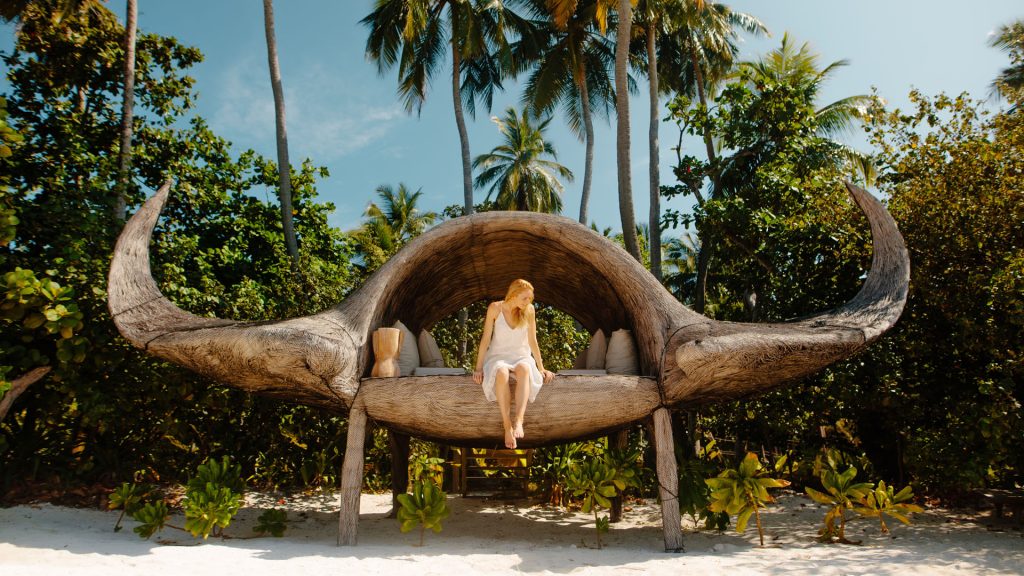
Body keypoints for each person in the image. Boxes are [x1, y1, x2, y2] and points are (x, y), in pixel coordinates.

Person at [473, 279, 554, 449]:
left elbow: (533, 341)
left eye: (530, 299)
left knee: (524, 369)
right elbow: (485, 339)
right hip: (498, 356)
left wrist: (541, 367)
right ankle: (507, 425)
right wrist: (478, 368)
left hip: (521, 356)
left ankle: (519, 420)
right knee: (501, 372)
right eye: (525, 298)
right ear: (514, 295)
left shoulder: (529, 310)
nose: (528, 302)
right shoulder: (495, 308)